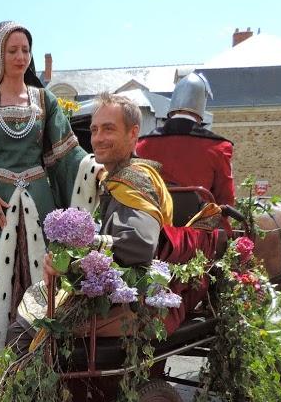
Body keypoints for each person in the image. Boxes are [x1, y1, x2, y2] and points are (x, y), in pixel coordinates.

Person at [0, 21, 99, 384]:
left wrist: (94, 170)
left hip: (39, 201)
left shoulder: (45, 100)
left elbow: (67, 153)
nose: (20, 57)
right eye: (12, 50)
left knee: (42, 276)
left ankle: (39, 361)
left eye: (25, 50)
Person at [9, 93, 174, 352]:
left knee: (22, 334)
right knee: (29, 311)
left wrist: (76, 251)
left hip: (123, 304)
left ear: (133, 133)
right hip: (108, 293)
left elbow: (140, 245)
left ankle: (32, 392)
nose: (97, 138)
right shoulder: (117, 177)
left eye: (109, 129)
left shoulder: (135, 180)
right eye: (95, 130)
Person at [136, 72, 235, 208]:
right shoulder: (219, 147)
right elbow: (226, 199)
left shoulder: (142, 145)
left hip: (151, 225)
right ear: (201, 105)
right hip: (198, 227)